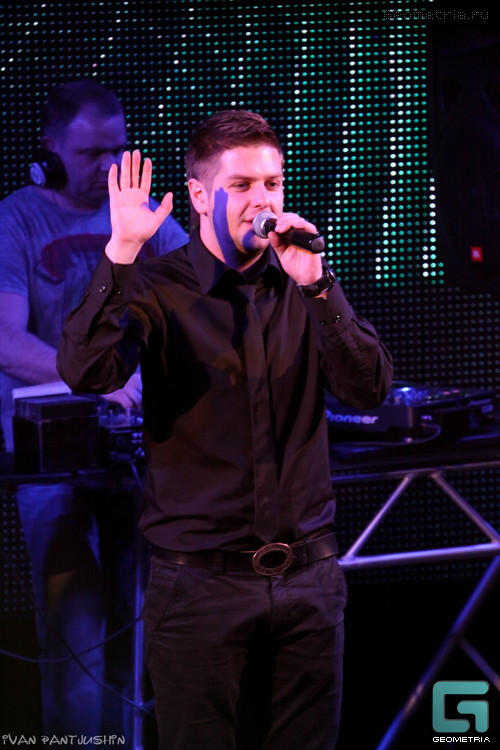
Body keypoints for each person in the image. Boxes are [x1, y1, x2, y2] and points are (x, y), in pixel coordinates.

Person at [56, 109, 393, 750]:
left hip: (309, 579)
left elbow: (368, 387)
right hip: (200, 588)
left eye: (272, 184)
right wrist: (121, 251)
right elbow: (86, 370)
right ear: (201, 195)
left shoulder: (305, 284)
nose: (262, 200)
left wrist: (319, 287)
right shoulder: (156, 287)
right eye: (241, 186)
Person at [0, 79, 188, 739]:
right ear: (50, 148)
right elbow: (5, 341)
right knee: (75, 639)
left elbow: (203, 301)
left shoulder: (139, 215)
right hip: (50, 462)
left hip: (136, 455)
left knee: (142, 636)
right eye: (90, 154)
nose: (108, 166)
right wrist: (94, 379)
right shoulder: (17, 219)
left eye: (118, 150)